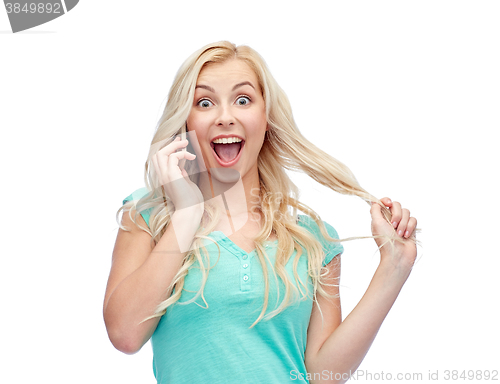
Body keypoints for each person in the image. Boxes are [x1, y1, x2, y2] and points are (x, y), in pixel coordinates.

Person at [103, 41, 419, 384]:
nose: (226, 117)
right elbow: (125, 335)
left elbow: (323, 375)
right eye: (205, 102)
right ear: (186, 122)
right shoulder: (149, 218)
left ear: (266, 118)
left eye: (243, 100)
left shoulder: (313, 239)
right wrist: (186, 214)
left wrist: (395, 268)